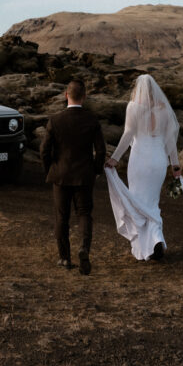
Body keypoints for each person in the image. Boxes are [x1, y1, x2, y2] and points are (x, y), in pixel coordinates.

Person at [104, 74, 183, 261]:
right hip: (158, 160)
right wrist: (175, 165)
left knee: (138, 202)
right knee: (152, 202)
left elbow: (128, 134)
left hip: (139, 160)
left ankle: (146, 244)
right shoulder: (164, 110)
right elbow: (171, 140)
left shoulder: (133, 108)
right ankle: (155, 240)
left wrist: (115, 159)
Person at [40, 79, 107, 275]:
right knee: (84, 214)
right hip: (84, 176)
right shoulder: (92, 120)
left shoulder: (55, 120)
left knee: (62, 217)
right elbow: (101, 151)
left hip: (60, 175)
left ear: (66, 95)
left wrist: (50, 170)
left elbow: (44, 150)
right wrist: (95, 170)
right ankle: (84, 248)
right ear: (84, 97)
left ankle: (64, 258)